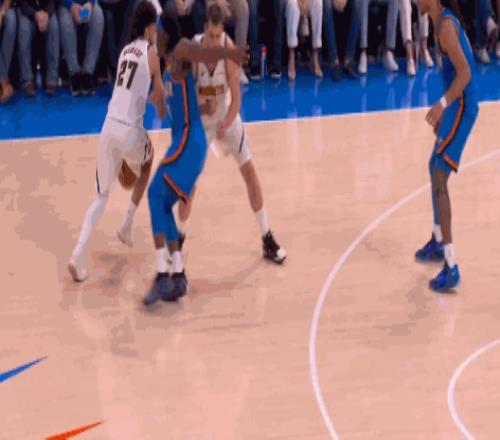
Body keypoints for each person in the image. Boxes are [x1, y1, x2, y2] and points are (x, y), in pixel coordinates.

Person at [142, 9, 247, 305]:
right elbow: (165, 110)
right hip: (184, 142)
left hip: (191, 141)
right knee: (162, 203)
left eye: (157, 31)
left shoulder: (181, 50)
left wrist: (232, 53)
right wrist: (157, 96)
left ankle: (163, 275)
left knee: (154, 194)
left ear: (166, 33)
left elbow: (202, 52)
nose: (154, 36)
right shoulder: (164, 64)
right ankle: (178, 275)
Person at [177, 0, 286, 267]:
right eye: (211, 36)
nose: (215, 41)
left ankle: (266, 236)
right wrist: (202, 109)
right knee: (189, 183)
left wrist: (226, 121)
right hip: (201, 121)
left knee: (249, 172)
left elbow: (236, 99)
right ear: (204, 29)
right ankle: (178, 238)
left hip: (226, 115)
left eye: (219, 36)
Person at [68, 0, 166, 282]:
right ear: (148, 28)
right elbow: (160, 107)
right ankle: (126, 223)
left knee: (100, 197)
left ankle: (77, 255)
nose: (156, 32)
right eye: (155, 27)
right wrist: (160, 94)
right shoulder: (152, 55)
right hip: (130, 131)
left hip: (108, 127)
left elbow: (128, 90)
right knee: (148, 161)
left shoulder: (124, 51)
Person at [415, 0, 479, 292]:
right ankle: (439, 240)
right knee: (433, 166)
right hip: (456, 106)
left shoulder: (445, 26)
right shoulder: (438, 22)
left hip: (463, 106)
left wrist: (443, 105)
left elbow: (465, 72)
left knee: (440, 176)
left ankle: (451, 266)